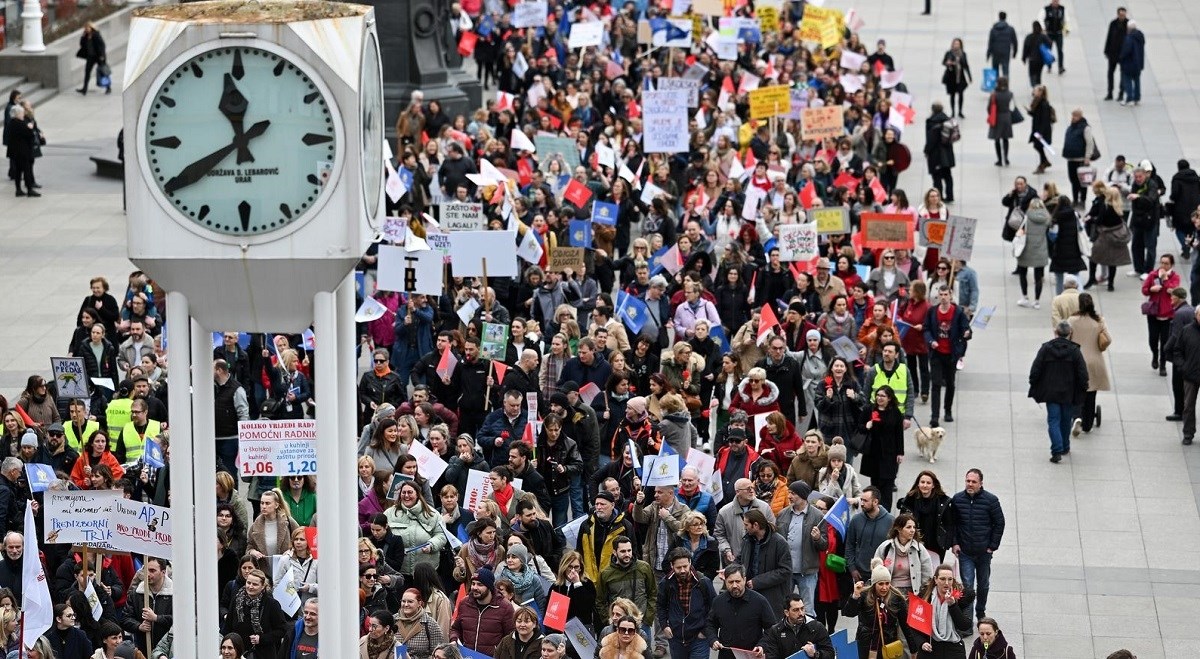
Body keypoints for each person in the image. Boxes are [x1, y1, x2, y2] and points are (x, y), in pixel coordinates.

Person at [951, 470, 1005, 621]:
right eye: (968, 481)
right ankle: (968, 618)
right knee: (968, 586)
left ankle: (980, 611)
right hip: (965, 552)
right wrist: (955, 543)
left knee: (983, 585)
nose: (970, 484)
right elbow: (953, 523)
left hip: (983, 552)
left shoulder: (991, 500)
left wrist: (992, 546)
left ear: (981, 483)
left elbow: (999, 523)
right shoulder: (957, 499)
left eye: (973, 482)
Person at [841, 559, 922, 659]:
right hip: (867, 644)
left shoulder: (896, 598)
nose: (884, 588)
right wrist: (855, 596)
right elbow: (849, 613)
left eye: (887, 583)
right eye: (881, 584)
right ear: (874, 584)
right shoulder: (864, 595)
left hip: (888, 644)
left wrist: (913, 649)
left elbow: (905, 626)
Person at [704, 564, 776, 659]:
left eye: (737, 581)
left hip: (751, 654)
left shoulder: (759, 601)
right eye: (730, 582)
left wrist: (762, 645)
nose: (734, 585)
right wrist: (713, 640)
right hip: (726, 654)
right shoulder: (718, 601)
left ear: (744, 580)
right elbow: (710, 624)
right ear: (725, 581)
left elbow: (771, 628)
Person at [655, 548, 716, 659]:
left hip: (699, 638)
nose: (682, 570)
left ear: (690, 563)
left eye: (685, 566)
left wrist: (704, 631)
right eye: (678, 567)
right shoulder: (666, 583)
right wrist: (664, 625)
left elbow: (714, 608)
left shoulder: (703, 582)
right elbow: (660, 606)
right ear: (672, 566)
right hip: (676, 638)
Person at [924, 286, 971, 427]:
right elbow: (926, 329)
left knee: (950, 383)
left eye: (946, 294)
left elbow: (966, 328)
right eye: (941, 294)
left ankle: (948, 410)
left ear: (951, 296)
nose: (943, 297)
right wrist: (931, 341)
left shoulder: (958, 312)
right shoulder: (932, 311)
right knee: (936, 384)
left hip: (951, 354)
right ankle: (935, 416)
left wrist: (967, 333)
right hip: (936, 354)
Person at [222, 568, 287, 659]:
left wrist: (262, 639)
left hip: (262, 654)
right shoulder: (237, 600)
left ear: (263, 586)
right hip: (238, 653)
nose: (250, 586)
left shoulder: (271, 604)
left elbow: (282, 630)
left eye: (255, 584)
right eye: (248, 583)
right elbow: (228, 627)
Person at [914, 564, 976, 658]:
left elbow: (965, 626)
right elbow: (914, 624)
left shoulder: (961, 597)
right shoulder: (925, 597)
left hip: (954, 648)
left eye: (950, 579)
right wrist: (921, 643)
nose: (946, 583)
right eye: (942, 579)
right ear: (935, 579)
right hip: (930, 647)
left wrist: (953, 605)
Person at [450, 569, 514, 656]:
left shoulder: (505, 607)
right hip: (467, 656)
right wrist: (454, 640)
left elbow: (511, 637)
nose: (475, 588)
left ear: (489, 587)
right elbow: (455, 628)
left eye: (480, 584)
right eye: (473, 584)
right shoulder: (464, 603)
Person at [577, 491, 634, 583]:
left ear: (612, 505)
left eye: (602, 504)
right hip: (590, 579)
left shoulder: (625, 526)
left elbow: (634, 553)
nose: (599, 507)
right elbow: (579, 551)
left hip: (616, 579)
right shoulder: (586, 525)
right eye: (597, 504)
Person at [121, 558, 173, 657]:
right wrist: (139, 626)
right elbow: (125, 619)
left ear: (163, 572)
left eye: (152, 571)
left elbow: (180, 621)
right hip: (143, 651)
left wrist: (157, 618)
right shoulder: (136, 593)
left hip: (166, 652)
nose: (148, 574)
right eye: (146, 570)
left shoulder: (175, 594)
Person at [871, 514, 935, 597]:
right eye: (908, 527)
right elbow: (876, 572)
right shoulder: (885, 547)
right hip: (889, 592)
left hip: (913, 594)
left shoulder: (920, 549)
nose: (912, 530)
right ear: (899, 529)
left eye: (914, 527)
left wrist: (923, 594)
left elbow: (927, 575)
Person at [845, 486, 894, 585]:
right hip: (859, 573)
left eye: (865, 501)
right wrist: (852, 568)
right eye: (861, 500)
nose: (862, 503)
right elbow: (849, 546)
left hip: (882, 574)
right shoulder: (856, 520)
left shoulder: (891, 521)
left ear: (875, 502)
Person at [759, 595, 835, 659]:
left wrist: (815, 654)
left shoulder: (817, 627)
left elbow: (830, 653)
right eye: (796, 610)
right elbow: (771, 656)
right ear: (786, 612)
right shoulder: (776, 631)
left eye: (802, 608)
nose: (801, 613)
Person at [1128, 169, 1163, 278]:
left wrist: (1138, 197)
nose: (1138, 179)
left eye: (1140, 177)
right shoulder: (1135, 185)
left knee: (1150, 246)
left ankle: (1148, 271)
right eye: (1136, 177)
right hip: (1138, 220)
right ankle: (1138, 268)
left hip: (1150, 221)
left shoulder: (1152, 185)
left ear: (1145, 176)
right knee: (1136, 245)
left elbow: (1151, 200)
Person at [5, 104, 38, 198]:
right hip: (22, 152)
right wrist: (30, 128)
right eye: (22, 113)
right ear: (17, 114)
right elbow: (29, 135)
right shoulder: (20, 124)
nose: (23, 115)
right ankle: (29, 189)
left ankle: (18, 189)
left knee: (18, 171)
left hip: (15, 152)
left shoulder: (12, 123)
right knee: (26, 170)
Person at [986, 76, 1014, 167]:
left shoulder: (994, 94)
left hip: (997, 117)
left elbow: (989, 108)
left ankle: (999, 159)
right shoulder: (1010, 93)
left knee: (997, 139)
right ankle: (1006, 158)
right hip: (1007, 117)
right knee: (1005, 139)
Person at [1103, 7, 1129, 101]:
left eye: (1124, 15)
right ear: (1118, 14)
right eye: (1121, 15)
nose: (1122, 16)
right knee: (1110, 72)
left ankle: (1121, 93)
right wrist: (1106, 50)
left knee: (1123, 74)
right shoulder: (1113, 23)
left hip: (1123, 54)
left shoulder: (1128, 24)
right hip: (1113, 53)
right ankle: (1110, 92)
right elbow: (1109, 37)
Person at [941, 40, 971, 120]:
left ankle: (960, 111)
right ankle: (953, 112)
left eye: (958, 44)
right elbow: (943, 62)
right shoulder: (949, 53)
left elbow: (966, 65)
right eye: (955, 44)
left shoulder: (963, 54)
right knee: (952, 95)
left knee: (961, 94)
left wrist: (969, 76)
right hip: (951, 77)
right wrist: (948, 63)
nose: (956, 45)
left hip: (960, 77)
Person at [76, 23, 109, 95]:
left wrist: (102, 55)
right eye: (85, 28)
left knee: (103, 72)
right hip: (90, 57)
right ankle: (84, 89)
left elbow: (102, 45)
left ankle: (108, 87)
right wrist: (83, 36)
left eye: (87, 28)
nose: (86, 29)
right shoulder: (86, 36)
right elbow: (82, 45)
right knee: (87, 72)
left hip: (98, 56)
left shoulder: (96, 35)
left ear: (91, 28)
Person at [1118, 19, 1145, 106]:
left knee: (1128, 81)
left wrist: (1120, 57)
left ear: (1128, 28)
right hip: (1138, 64)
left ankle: (1130, 98)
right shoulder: (1140, 36)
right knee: (1137, 81)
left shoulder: (1129, 38)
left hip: (1129, 64)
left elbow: (1126, 51)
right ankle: (1137, 98)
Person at [985, 12, 1019, 77]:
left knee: (995, 70)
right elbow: (1015, 42)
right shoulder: (1010, 29)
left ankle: (996, 85)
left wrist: (988, 54)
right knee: (1005, 70)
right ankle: (1005, 85)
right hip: (1006, 52)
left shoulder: (993, 29)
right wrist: (1015, 52)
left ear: (999, 17)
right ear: (1005, 17)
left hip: (995, 52)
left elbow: (990, 42)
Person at [1020, 21, 1052, 87]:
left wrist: (1024, 58)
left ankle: (1034, 86)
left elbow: (1025, 48)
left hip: (1032, 59)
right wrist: (1045, 48)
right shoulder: (1043, 36)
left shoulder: (1029, 37)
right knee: (1038, 74)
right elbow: (1050, 43)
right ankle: (1038, 87)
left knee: (1032, 74)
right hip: (1040, 59)